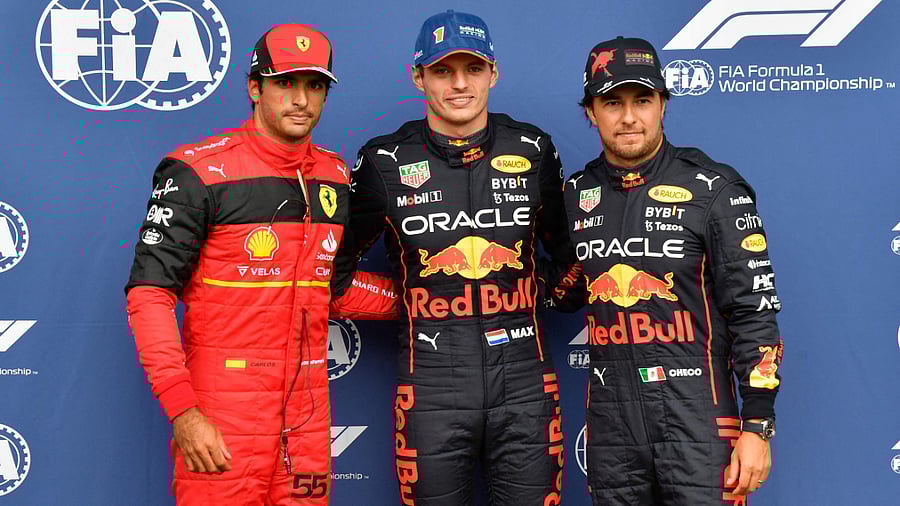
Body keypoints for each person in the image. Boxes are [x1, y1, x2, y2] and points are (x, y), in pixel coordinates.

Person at [125, 24, 395, 505]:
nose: (301, 99)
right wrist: (184, 411)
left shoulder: (335, 177)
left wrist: (430, 299)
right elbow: (149, 296)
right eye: (285, 82)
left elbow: (330, 289)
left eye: (314, 85)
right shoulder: (197, 172)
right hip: (222, 404)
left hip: (307, 410)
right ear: (255, 87)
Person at [330, 10, 580, 506]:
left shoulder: (533, 150)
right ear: (418, 76)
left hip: (526, 382)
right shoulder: (384, 161)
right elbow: (333, 276)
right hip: (431, 388)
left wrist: (546, 293)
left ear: (494, 72)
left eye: (472, 69)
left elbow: (572, 262)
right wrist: (407, 303)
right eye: (443, 71)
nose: (459, 84)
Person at [563, 36, 784, 505]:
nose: (628, 117)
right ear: (589, 110)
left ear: (663, 103)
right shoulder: (574, 195)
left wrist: (758, 425)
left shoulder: (715, 188)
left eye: (642, 100)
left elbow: (754, 312)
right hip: (611, 420)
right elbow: (557, 287)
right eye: (611, 102)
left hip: (698, 416)